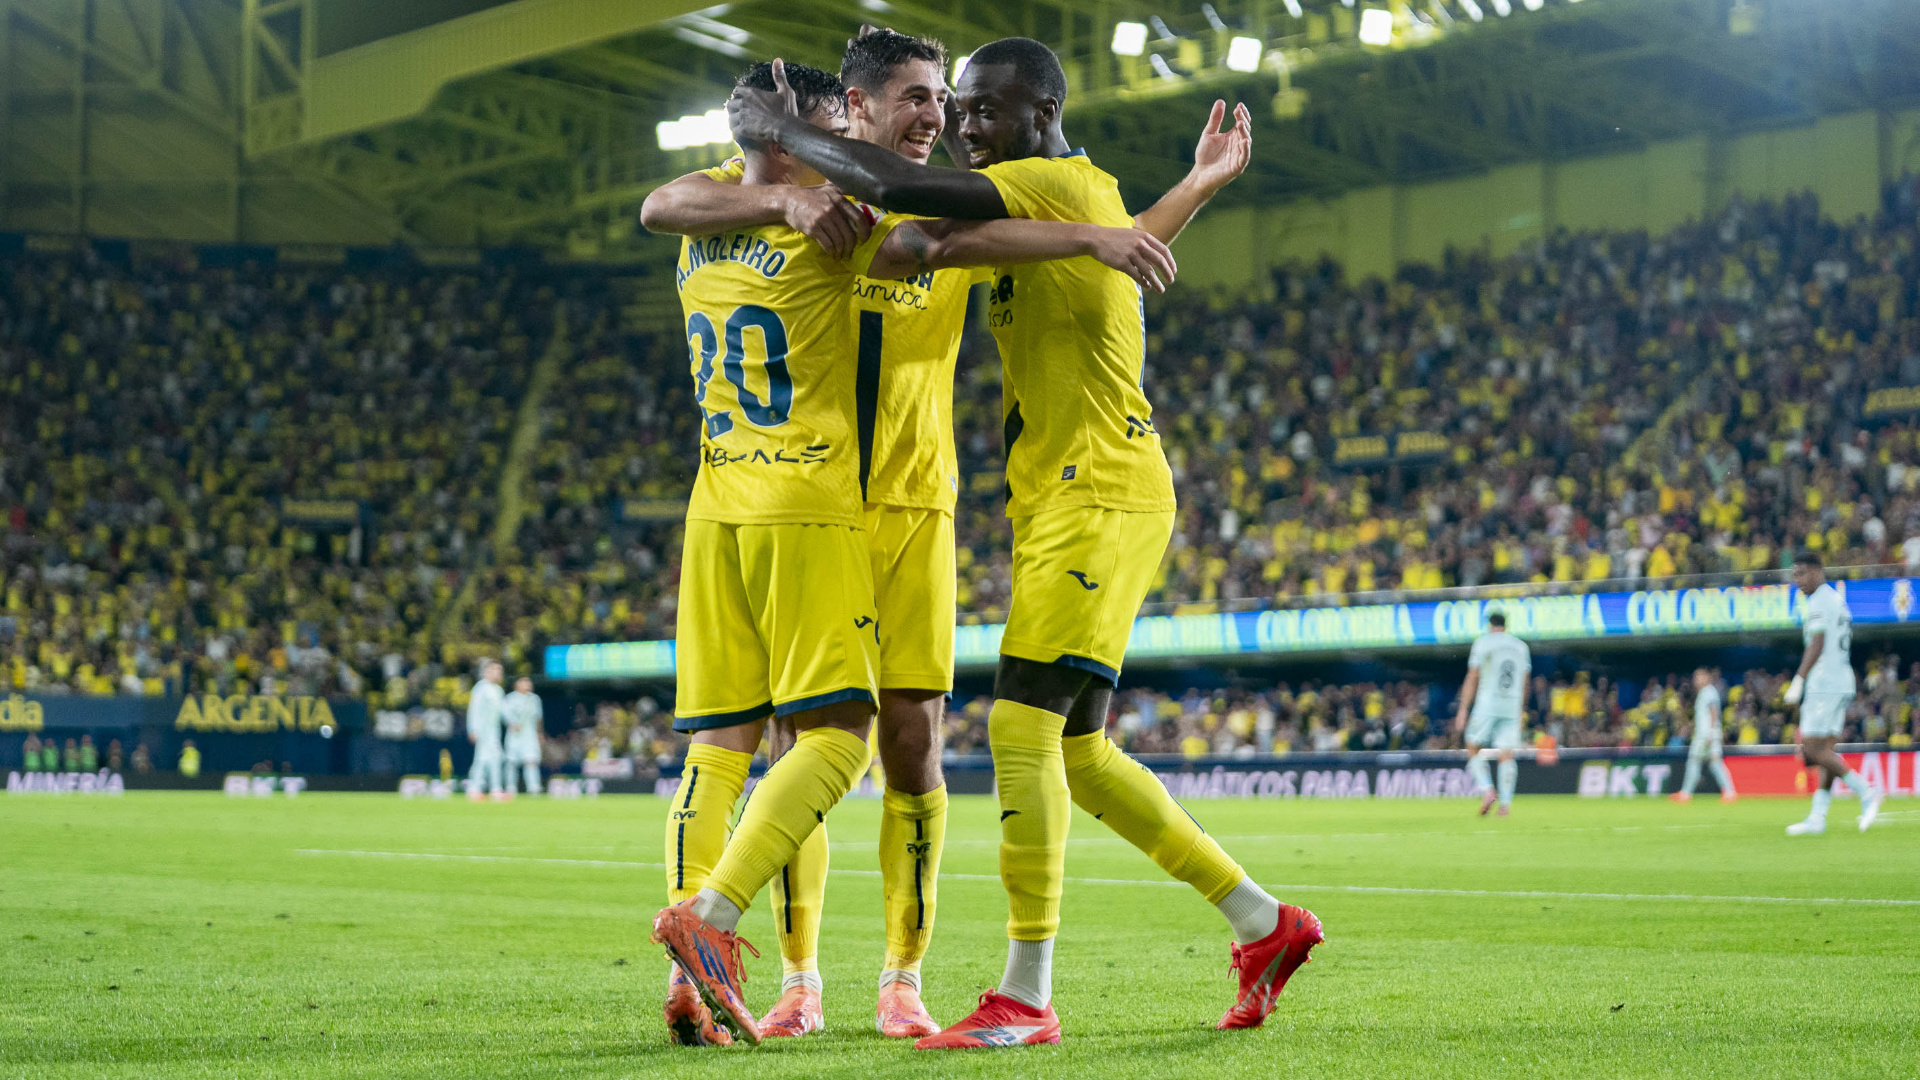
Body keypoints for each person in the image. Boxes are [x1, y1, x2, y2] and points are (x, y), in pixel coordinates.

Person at [727, 38, 1319, 1052]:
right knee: (1080, 755)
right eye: (957, 110)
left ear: (1040, 111)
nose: (965, 127)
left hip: (1100, 493)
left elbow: (895, 183)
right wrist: (1195, 187)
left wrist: (777, 133)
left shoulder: (1031, 180)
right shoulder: (1069, 192)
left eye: (983, 112)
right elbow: (1116, 243)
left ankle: (1027, 996)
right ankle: (1265, 925)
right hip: (1074, 499)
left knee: (1018, 730)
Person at [643, 26, 1191, 1043]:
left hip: (914, 507)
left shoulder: (924, 197)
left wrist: (1143, 213)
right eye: (917, 98)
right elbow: (677, 200)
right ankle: (796, 975)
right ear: (853, 111)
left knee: (910, 744)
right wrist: (791, 189)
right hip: (823, 507)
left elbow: (995, 236)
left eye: (944, 100)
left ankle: (901, 978)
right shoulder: (842, 207)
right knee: (808, 740)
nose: (937, 117)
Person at [1784, 553, 1883, 834]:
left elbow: (1817, 642)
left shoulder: (1817, 601)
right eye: (1794, 575)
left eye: (1802, 573)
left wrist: (1798, 680)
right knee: (1827, 750)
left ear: (1817, 571)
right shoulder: (1836, 599)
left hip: (1824, 682)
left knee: (1812, 749)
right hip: (1842, 679)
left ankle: (1866, 792)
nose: (1798, 581)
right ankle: (1818, 817)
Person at [1455, 610, 1531, 817]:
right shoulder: (1521, 647)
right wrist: (1522, 709)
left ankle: (1488, 789)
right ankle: (1505, 805)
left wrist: (1463, 710)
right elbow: (1525, 680)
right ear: (1506, 625)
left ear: (1490, 625)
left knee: (1472, 744)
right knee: (1506, 753)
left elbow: (1473, 676)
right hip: (1512, 704)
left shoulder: (1484, 643)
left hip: (1489, 701)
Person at [1672, 668, 1736, 803]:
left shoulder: (1709, 692)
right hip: (1705, 734)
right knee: (1709, 763)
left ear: (1706, 677)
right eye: (1695, 677)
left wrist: (1711, 733)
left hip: (1707, 735)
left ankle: (1686, 793)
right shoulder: (1704, 693)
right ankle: (1729, 792)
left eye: (1699, 677)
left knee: (1700, 762)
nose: (1696, 680)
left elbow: (1714, 712)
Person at [466, 660, 506, 800]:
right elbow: (473, 710)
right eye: (496, 670)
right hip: (482, 731)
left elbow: (502, 712)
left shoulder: (498, 690)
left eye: (500, 671)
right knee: (481, 759)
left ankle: (495, 789)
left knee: (496, 758)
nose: (499, 673)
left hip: (494, 732)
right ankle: (474, 789)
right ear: (487, 672)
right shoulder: (480, 688)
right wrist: (473, 729)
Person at [502, 676, 544, 796]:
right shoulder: (510, 699)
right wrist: (512, 723)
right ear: (517, 684)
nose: (528, 684)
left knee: (531, 761)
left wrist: (539, 734)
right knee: (511, 762)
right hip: (514, 736)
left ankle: (533, 786)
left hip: (530, 735)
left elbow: (538, 719)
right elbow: (506, 715)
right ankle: (510, 787)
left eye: (528, 681)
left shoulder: (535, 699)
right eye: (524, 681)